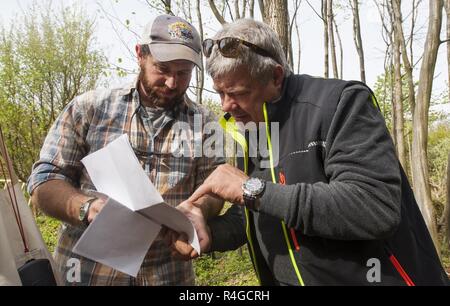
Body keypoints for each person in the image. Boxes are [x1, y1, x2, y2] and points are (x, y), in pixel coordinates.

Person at [171, 19, 449, 285]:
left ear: (276, 76)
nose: (226, 106)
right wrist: (207, 232)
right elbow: (261, 210)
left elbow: (375, 207)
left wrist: (251, 189)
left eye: (238, 93)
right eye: (220, 93)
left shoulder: (341, 103)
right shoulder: (253, 126)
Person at [27, 14, 224, 286]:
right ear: (140, 54)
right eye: (163, 69)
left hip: (167, 276)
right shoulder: (91, 108)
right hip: (87, 275)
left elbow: (214, 190)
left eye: (183, 73)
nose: (172, 83)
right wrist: (87, 208)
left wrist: (199, 209)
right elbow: (44, 180)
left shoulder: (205, 124)